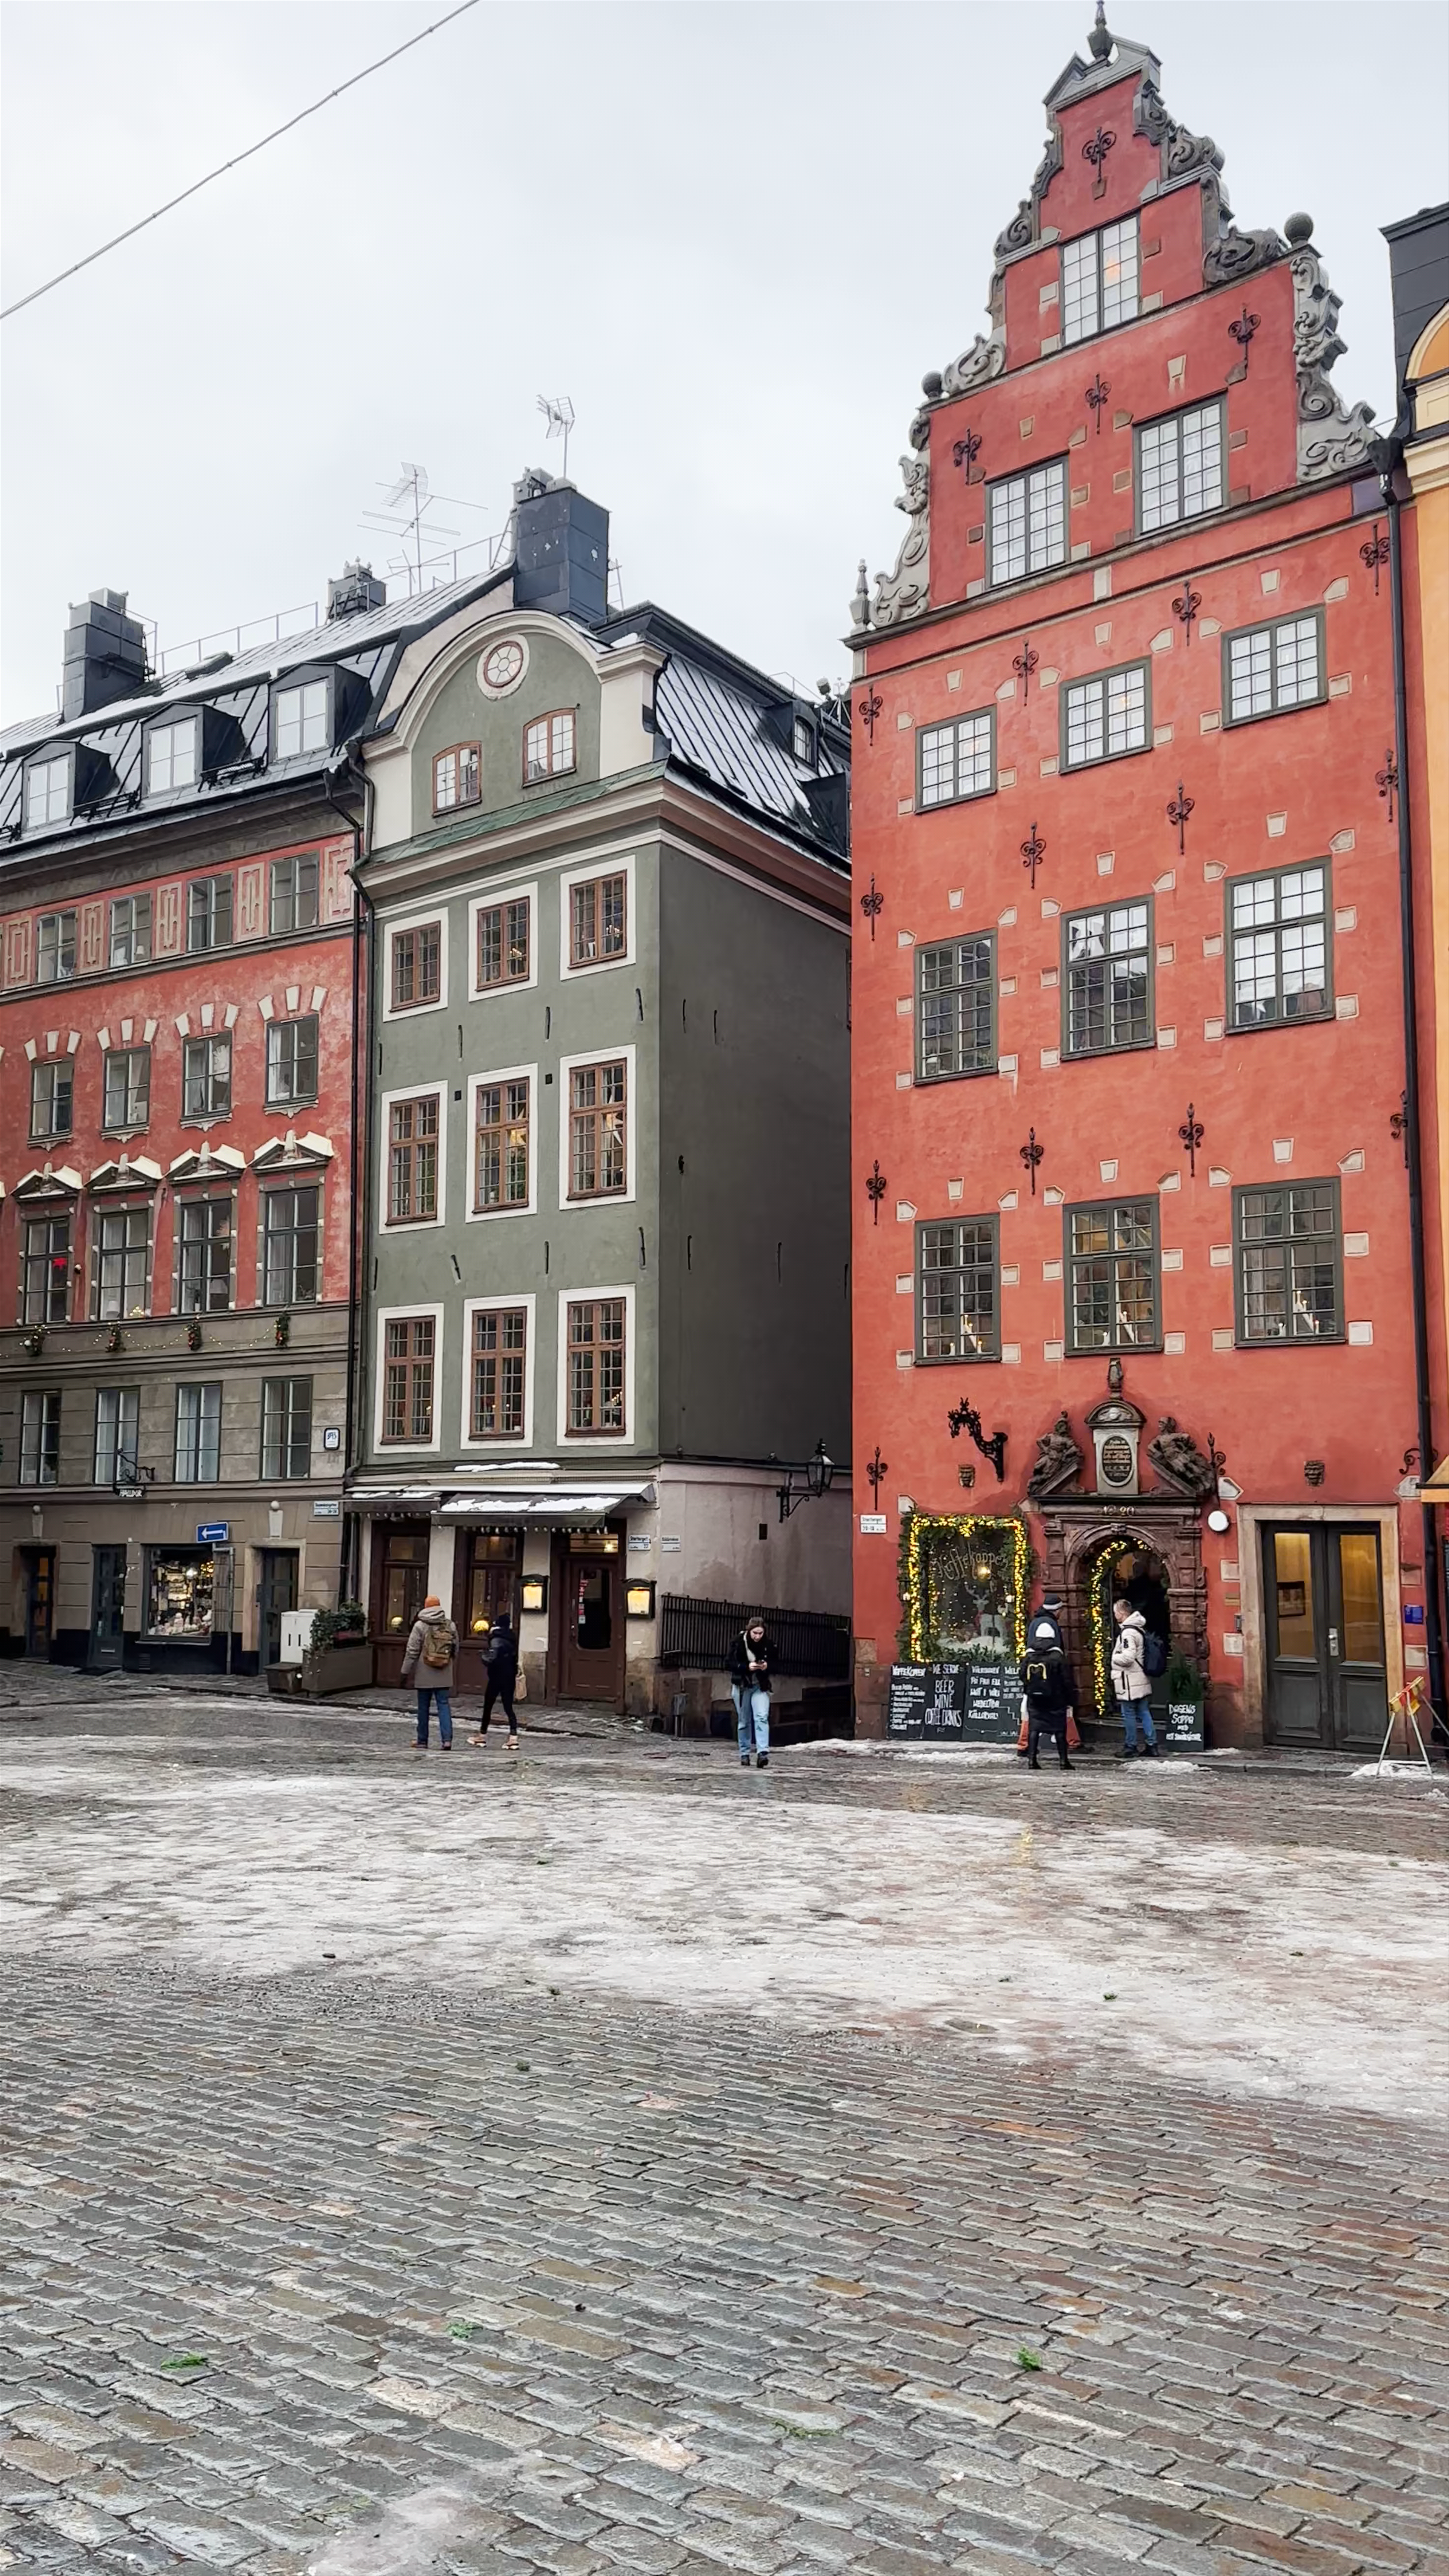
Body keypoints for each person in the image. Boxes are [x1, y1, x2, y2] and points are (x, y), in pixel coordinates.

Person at [401, 1593, 458, 1752]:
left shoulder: (420, 1626)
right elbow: (456, 1648)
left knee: (423, 1708)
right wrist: (448, 1663)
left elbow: (412, 1651)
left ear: (426, 1607)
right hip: (444, 1670)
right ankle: (447, 1741)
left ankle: (422, 1740)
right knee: (444, 1706)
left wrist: (405, 1672)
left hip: (424, 1670)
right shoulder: (450, 1625)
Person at [1020, 1616, 1076, 1772]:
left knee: (1034, 1729)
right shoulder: (1058, 1656)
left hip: (1034, 1698)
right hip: (1056, 1698)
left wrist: (1031, 1688)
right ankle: (1064, 1762)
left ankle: (1032, 1761)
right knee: (1059, 1729)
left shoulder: (1030, 1655)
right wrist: (1070, 1698)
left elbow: (1022, 1675)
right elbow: (1067, 1679)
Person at [1111, 1595, 1157, 1757]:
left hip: (1129, 1681)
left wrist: (1114, 1658)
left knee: (1129, 1713)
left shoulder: (1128, 1633)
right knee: (1144, 1711)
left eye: (1116, 1612)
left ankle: (1131, 1746)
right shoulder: (1138, 1628)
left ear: (1122, 1614)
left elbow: (1128, 1658)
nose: (1115, 1615)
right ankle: (1152, 1744)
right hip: (1139, 1678)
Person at [729, 1617, 776, 1769]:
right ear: (749, 1631)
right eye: (755, 1633)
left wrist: (767, 1666)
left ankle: (763, 1753)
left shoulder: (768, 1644)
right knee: (744, 1722)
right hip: (742, 1686)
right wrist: (747, 1667)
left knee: (762, 1717)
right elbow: (728, 1663)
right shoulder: (738, 1642)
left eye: (761, 1633)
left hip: (760, 1685)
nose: (758, 1636)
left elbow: (778, 1663)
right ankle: (745, 1753)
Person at [471, 1613, 520, 1752]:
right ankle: (513, 1738)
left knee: (488, 1706)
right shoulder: (512, 1638)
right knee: (509, 1707)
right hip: (509, 1677)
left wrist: (484, 1656)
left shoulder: (496, 1639)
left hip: (497, 1677)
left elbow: (492, 1659)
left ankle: (482, 1735)